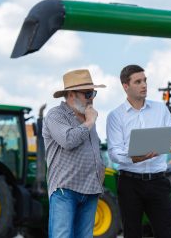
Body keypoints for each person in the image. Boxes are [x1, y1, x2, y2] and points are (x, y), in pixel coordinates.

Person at [106, 64, 171, 238]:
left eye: (145, 80)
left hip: (158, 182)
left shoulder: (160, 109)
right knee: (132, 234)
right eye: (138, 81)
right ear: (125, 86)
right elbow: (114, 153)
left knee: (166, 233)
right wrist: (136, 156)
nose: (144, 85)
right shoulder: (115, 116)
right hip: (129, 184)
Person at [42, 69, 106, 238]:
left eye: (93, 93)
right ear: (71, 95)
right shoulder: (56, 115)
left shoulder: (86, 118)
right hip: (66, 191)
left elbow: (94, 150)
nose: (92, 98)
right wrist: (90, 121)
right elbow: (68, 140)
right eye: (87, 93)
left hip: (90, 190)